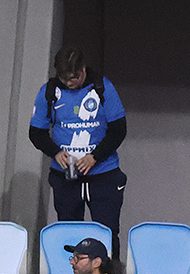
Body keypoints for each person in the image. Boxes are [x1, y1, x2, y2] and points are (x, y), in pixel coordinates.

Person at [27, 46, 128, 251]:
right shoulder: (49, 93)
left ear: (83, 69)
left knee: (107, 233)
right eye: (64, 79)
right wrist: (55, 152)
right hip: (66, 176)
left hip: (103, 174)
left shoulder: (102, 87)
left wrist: (95, 157)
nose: (70, 83)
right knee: (69, 232)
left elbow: (118, 130)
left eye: (74, 77)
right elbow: (36, 133)